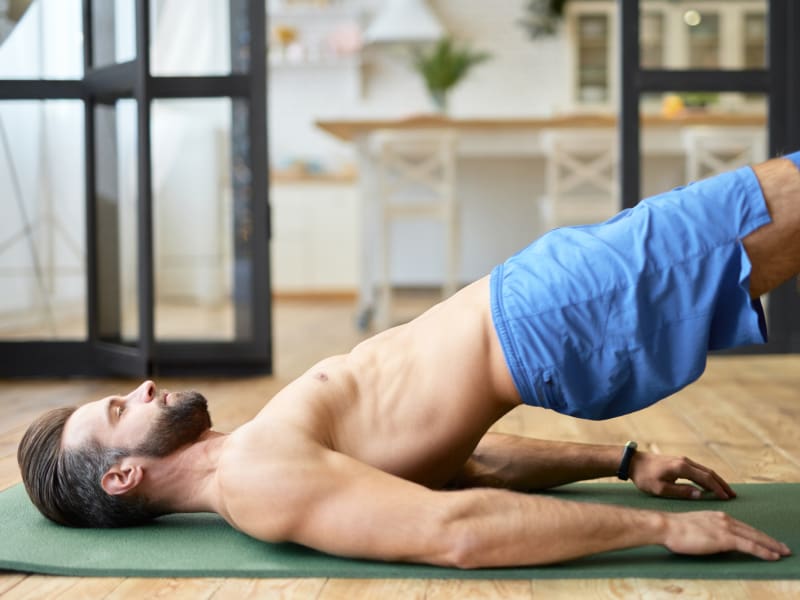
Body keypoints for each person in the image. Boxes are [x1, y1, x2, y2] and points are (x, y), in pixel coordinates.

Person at [17, 152, 800, 568]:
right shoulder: (255, 478)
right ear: (122, 476)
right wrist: (659, 537)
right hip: (552, 314)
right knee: (783, 196)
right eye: (119, 410)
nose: (142, 388)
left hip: (540, 308)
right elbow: (453, 529)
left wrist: (621, 460)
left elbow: (467, 466)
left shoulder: (256, 455)